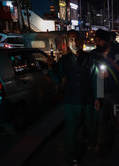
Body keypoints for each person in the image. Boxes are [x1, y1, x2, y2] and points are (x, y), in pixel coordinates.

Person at [47, 30, 98, 166]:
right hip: (72, 102)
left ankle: (89, 141)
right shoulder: (64, 61)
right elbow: (58, 78)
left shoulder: (89, 58)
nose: (74, 43)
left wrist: (97, 98)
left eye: (76, 40)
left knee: (90, 125)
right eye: (71, 40)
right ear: (67, 43)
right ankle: (72, 156)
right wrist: (50, 67)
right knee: (71, 130)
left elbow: (95, 79)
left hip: (88, 99)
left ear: (81, 41)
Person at [90, 29, 119, 160]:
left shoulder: (118, 53)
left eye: (99, 40)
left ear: (107, 41)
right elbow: (90, 73)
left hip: (116, 92)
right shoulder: (94, 54)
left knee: (117, 117)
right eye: (95, 40)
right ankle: (100, 145)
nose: (97, 43)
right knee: (101, 120)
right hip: (100, 93)